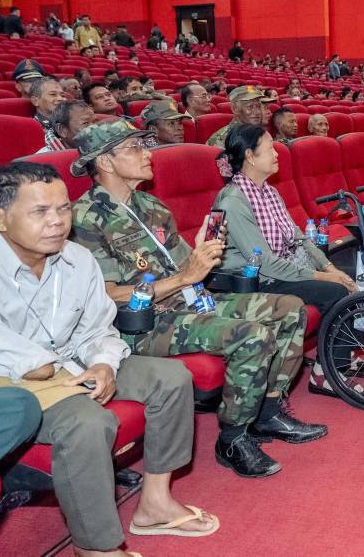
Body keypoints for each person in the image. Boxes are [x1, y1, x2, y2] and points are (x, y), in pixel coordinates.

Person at [0, 162, 219, 554]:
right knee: (87, 421)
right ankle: (96, 548)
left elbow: (97, 327)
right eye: (40, 211)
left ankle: (155, 504)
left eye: (63, 209)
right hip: (7, 380)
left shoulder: (77, 258)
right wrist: (50, 368)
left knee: (172, 378)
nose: (57, 222)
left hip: (72, 361)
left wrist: (103, 362)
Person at [69, 121, 327, 478]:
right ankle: (232, 439)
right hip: (144, 322)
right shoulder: (85, 218)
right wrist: (184, 278)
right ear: (105, 162)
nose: (148, 154)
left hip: (189, 299)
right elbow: (108, 296)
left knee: (290, 309)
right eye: (134, 148)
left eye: (145, 145)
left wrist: (204, 253)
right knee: (253, 336)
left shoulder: (150, 205)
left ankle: (266, 413)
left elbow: (186, 266)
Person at [212, 125, 357, 396]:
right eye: (270, 148)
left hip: (280, 269)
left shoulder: (268, 192)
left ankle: (339, 359)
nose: (277, 153)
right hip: (253, 280)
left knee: (343, 280)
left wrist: (330, 267)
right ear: (250, 156)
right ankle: (327, 374)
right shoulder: (233, 200)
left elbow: (299, 238)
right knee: (335, 291)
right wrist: (326, 277)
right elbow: (264, 263)